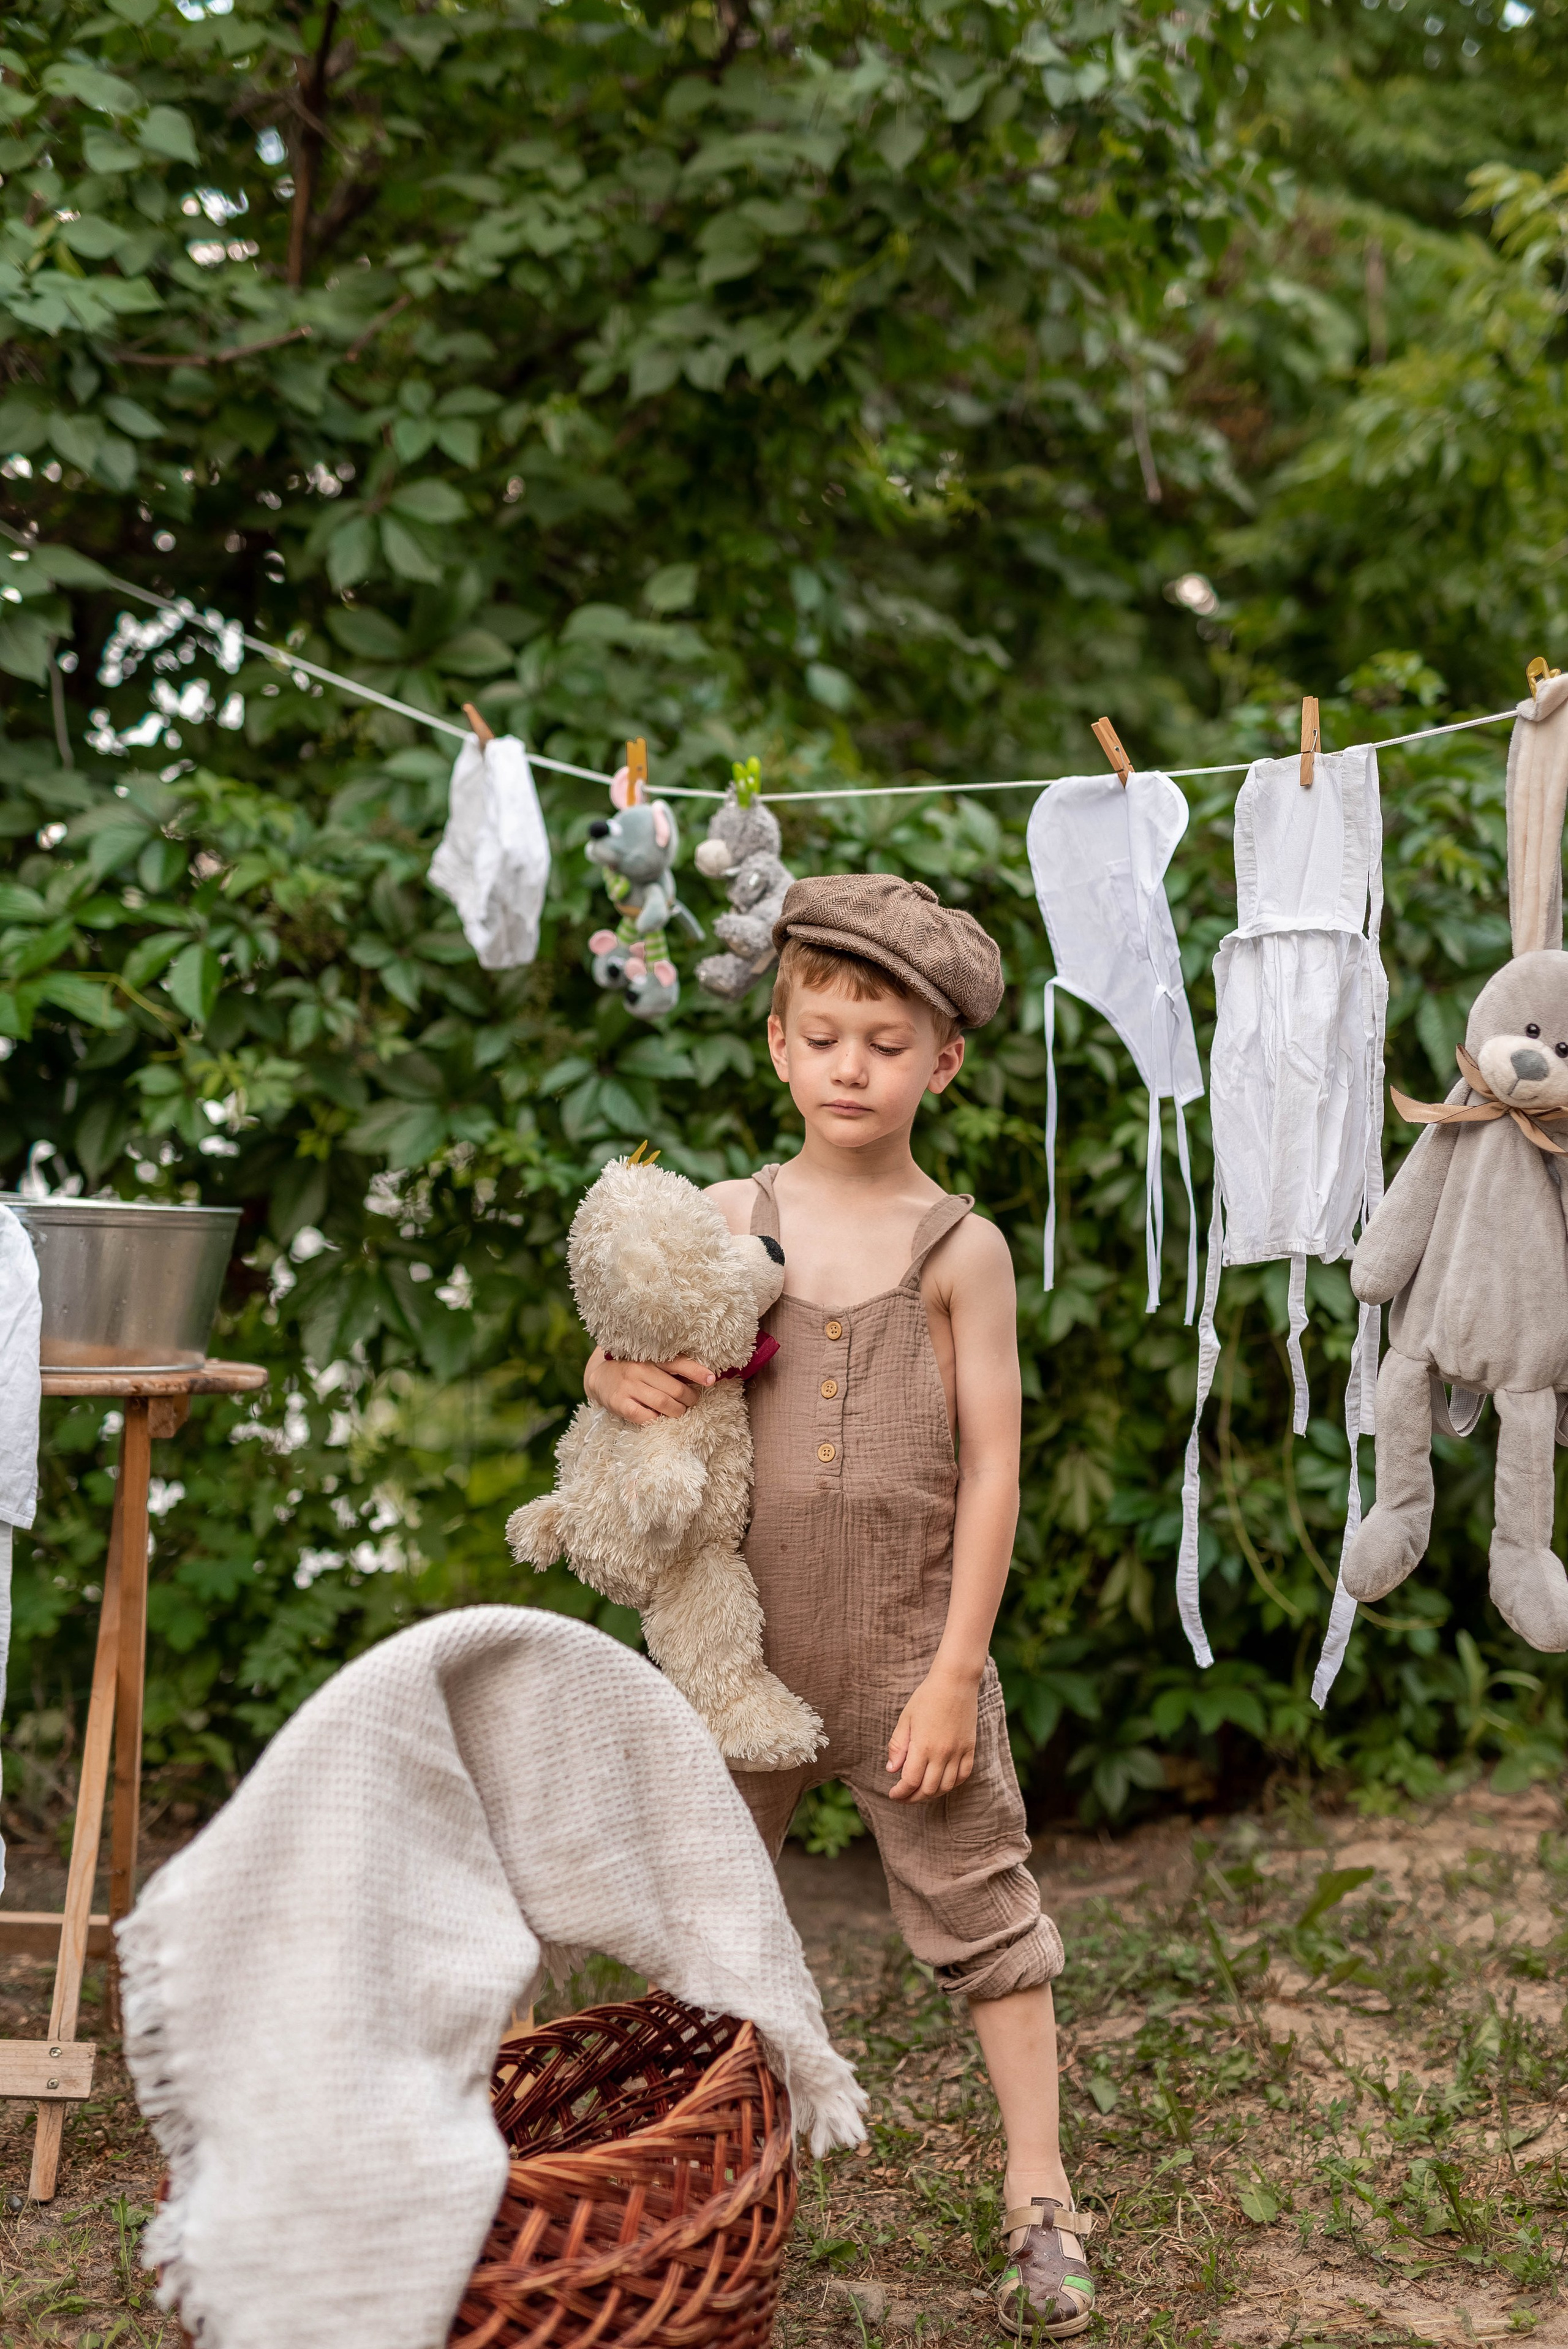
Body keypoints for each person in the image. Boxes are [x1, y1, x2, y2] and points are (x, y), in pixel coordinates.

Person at [584, 873, 1094, 2340]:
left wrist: (952, 1673)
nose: (851, 1067)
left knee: (986, 1916)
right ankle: (683, 2184)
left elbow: (994, 1468)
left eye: (885, 1041)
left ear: (941, 1059)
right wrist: (604, 1379)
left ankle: (1040, 2192)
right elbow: (633, 1370)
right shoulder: (727, 1217)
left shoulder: (960, 1250)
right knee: (699, 1923)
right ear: (778, 1050)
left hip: (895, 1659)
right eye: (823, 1036)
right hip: (731, 1649)